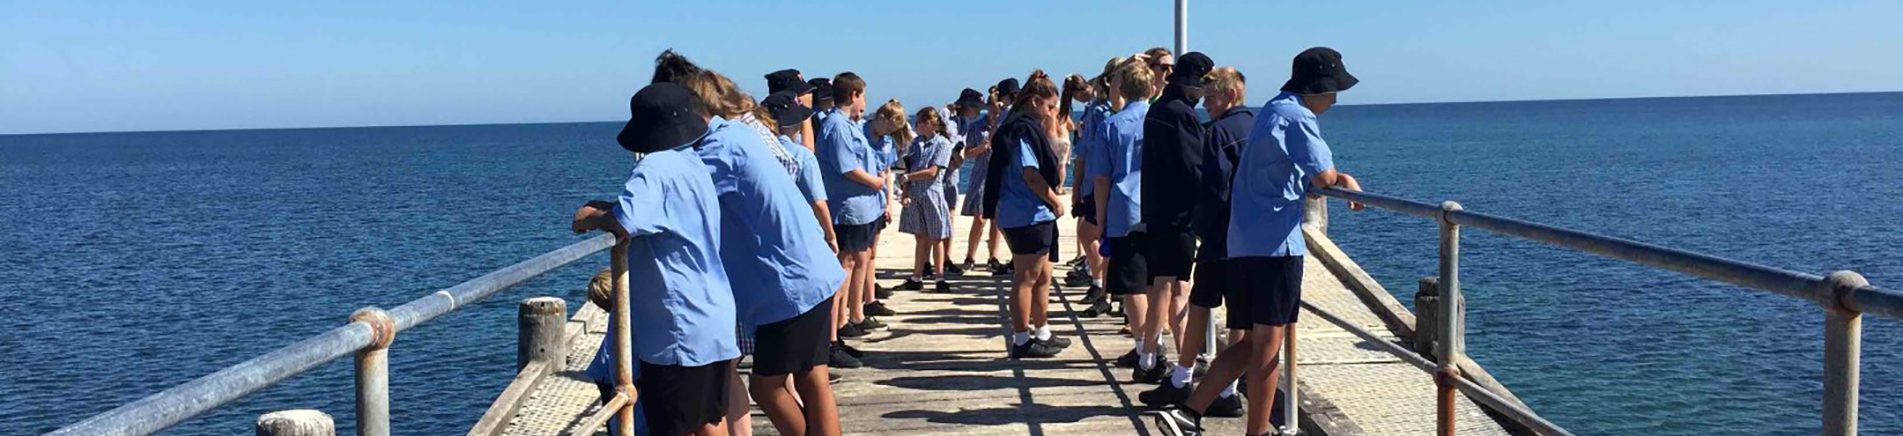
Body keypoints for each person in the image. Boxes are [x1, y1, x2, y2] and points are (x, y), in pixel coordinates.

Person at [1160, 47, 1367, 436]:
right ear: (1316, 89)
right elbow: (1323, 178)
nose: (1335, 100)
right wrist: (1345, 179)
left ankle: (1188, 412)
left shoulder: (1272, 109)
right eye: (1333, 91)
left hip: (1242, 244)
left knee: (1250, 344)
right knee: (1268, 349)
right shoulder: (1298, 117)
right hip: (1275, 247)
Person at [657, 53, 848, 436]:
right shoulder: (742, 132)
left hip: (788, 286)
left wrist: (610, 212)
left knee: (767, 387)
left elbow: (673, 198)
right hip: (812, 271)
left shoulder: (716, 149)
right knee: (813, 378)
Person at [572, 82, 740, 436]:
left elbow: (626, 220)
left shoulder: (656, 167)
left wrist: (590, 217)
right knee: (710, 421)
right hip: (710, 317)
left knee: (675, 426)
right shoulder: (692, 162)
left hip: (677, 329)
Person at [1138, 65, 1249, 417]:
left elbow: (1212, 186)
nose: (1205, 104)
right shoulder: (1256, 126)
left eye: (1211, 97)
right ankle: (1226, 390)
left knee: (1201, 303)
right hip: (1249, 236)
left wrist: (1199, 224)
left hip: (1219, 235)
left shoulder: (1217, 133)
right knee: (1238, 316)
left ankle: (1184, 379)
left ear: (1229, 95)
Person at [1136, 51, 1214, 389]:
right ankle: (1171, 360)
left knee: (1163, 284)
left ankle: (1153, 355)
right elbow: (1193, 167)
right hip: (1178, 213)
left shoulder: (1157, 109)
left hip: (1156, 209)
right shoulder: (1182, 114)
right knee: (1175, 287)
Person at [982, 70, 1067, 359]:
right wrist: (1054, 200)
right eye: (1049, 107)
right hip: (1026, 214)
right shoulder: (1021, 131)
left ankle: (1042, 331)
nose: (1051, 113)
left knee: (1043, 275)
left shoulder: (1020, 127)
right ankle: (1021, 339)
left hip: (1032, 214)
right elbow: (1030, 174)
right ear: (1034, 102)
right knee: (1026, 277)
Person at [1091, 55, 1156, 373]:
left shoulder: (1111, 125)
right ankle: (1156, 344)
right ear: (1152, 88)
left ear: (1123, 90)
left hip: (1124, 209)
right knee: (1158, 284)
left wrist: (1101, 217)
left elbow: (1101, 179)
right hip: (1158, 208)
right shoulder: (1160, 120)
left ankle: (1146, 350)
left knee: (1134, 286)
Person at [816, 72, 885, 352]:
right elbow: (847, 167)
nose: (864, 101)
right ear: (854, 95)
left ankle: (841, 326)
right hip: (847, 208)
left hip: (861, 207)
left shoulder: (848, 124)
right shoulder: (837, 126)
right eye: (863, 95)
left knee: (852, 262)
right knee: (842, 267)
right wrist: (875, 182)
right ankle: (831, 339)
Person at [1069, 58, 1118, 319]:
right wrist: (1077, 186)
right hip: (1094, 181)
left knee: (1096, 234)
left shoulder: (1104, 113)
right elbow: (1084, 150)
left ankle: (1105, 287)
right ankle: (1101, 284)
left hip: (1106, 182)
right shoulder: (1096, 110)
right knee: (1090, 233)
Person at [860, 100, 910, 319]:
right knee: (862, 254)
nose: (889, 132)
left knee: (872, 252)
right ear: (881, 118)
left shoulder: (887, 142)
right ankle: (863, 298)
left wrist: (889, 203)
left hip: (879, 199)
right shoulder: (860, 133)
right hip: (864, 198)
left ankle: (870, 297)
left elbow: (888, 172)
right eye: (889, 127)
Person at [897, 107, 955, 293]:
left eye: (919, 122)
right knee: (920, 236)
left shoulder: (942, 143)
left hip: (932, 194)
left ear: (929, 123)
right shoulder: (916, 143)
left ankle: (939, 277)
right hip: (916, 194)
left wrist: (909, 177)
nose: (916, 126)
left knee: (936, 236)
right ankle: (917, 276)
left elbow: (933, 172)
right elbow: (908, 167)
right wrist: (906, 192)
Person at [955, 87, 1005, 274]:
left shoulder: (1005, 125)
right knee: (979, 217)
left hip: (999, 175)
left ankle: (993, 256)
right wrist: (981, 148)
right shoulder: (977, 127)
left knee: (997, 219)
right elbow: (967, 153)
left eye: (998, 112)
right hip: (981, 174)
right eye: (992, 111)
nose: (995, 115)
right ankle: (970, 256)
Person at [766, 69, 818, 151]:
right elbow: (807, 153)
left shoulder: (814, 119)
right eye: (802, 93)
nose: (809, 95)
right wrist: (805, 114)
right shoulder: (782, 126)